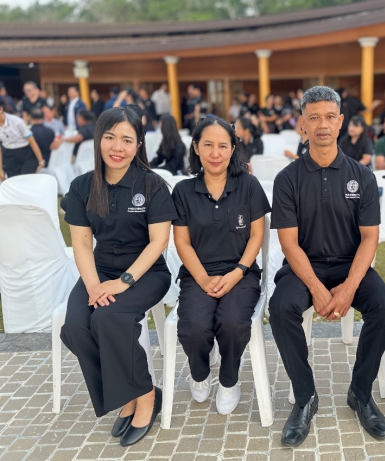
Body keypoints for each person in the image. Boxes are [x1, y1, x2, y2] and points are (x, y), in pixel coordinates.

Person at [270, 86, 385, 447]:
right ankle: (305, 396)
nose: (322, 125)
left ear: (340, 121)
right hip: (304, 266)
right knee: (280, 307)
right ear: (302, 125)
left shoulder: (363, 175)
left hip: (349, 264)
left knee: (383, 306)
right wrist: (317, 288)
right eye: (314, 118)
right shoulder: (287, 179)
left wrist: (348, 287)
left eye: (329, 117)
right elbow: (289, 244)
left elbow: (370, 238)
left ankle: (361, 393)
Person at [60, 106, 176, 447]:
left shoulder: (152, 185)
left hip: (145, 272)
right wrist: (94, 286)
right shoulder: (82, 186)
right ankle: (134, 390)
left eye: (127, 140)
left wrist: (123, 282)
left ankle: (145, 398)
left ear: (138, 144)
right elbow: (82, 243)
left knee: (108, 318)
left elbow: (158, 242)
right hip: (99, 270)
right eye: (110, 137)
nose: (117, 147)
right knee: (76, 327)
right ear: (99, 138)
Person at [172, 115, 270, 412]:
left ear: (232, 149)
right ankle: (200, 375)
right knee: (194, 327)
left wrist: (238, 272)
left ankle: (228, 380)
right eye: (208, 145)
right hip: (197, 274)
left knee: (232, 322)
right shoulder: (183, 191)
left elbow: (257, 235)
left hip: (241, 273)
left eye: (223, 146)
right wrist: (203, 279)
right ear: (196, 148)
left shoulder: (249, 185)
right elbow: (182, 242)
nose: (215, 153)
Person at [0, 104, 46, 181]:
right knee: (14, 182)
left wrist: (41, 161)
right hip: (9, 155)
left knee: (26, 181)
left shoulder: (16, 121)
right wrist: (0, 169)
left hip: (26, 153)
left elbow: (32, 142)